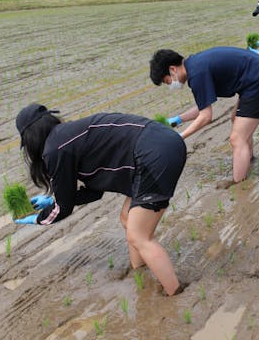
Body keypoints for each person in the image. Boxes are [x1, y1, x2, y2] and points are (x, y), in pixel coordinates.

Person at [13, 104, 187, 296]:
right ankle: (140, 271)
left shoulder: (55, 149)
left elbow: (64, 208)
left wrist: (40, 218)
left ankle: (175, 294)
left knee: (139, 236)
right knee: (127, 218)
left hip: (153, 155)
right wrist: (53, 199)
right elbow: (95, 191)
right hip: (160, 142)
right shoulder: (67, 136)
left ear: (30, 138)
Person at [149, 47, 259, 186]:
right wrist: (177, 119)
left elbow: (206, 117)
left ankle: (238, 183)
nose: (169, 85)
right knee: (236, 119)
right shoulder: (194, 65)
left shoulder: (197, 74)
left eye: (166, 81)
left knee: (237, 138)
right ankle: (247, 158)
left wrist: (180, 137)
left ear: (172, 69)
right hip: (255, 78)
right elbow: (202, 107)